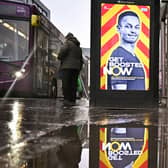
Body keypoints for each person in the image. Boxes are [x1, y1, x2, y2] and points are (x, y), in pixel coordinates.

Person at [107, 11, 145, 90]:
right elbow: (119, 93)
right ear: (118, 28)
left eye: (137, 27)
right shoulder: (119, 56)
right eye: (128, 26)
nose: (133, 31)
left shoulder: (132, 55)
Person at [58, 33, 83, 105]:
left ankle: (67, 100)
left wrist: (59, 57)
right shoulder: (78, 47)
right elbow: (81, 60)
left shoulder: (68, 43)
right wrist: (79, 68)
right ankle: (72, 100)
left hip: (67, 67)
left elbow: (63, 51)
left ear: (67, 38)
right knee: (73, 84)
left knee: (66, 83)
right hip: (76, 68)